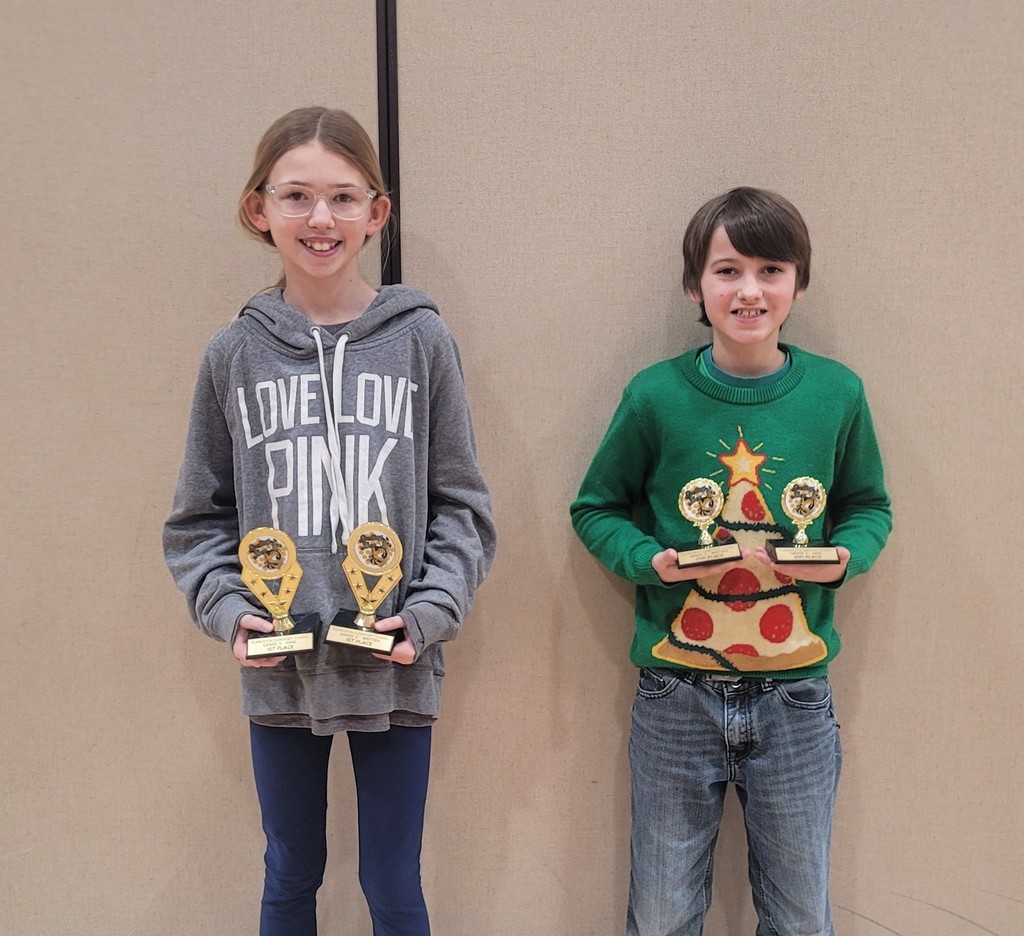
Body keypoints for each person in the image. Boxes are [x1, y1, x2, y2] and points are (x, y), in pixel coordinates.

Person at [163, 106, 496, 936]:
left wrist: (429, 612)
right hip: (279, 669)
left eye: (345, 198)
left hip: (397, 663)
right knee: (289, 873)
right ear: (259, 208)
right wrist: (230, 608)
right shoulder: (233, 355)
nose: (321, 219)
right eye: (298, 196)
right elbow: (198, 517)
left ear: (378, 213)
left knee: (393, 881)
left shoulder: (422, 341)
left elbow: (463, 506)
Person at [570, 187, 891, 936]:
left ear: (798, 283)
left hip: (797, 697)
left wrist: (844, 557)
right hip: (674, 693)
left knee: (801, 913)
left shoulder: (839, 394)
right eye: (727, 270)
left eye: (771, 269)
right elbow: (595, 507)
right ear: (695, 286)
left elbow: (870, 504)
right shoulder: (653, 397)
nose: (749, 290)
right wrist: (654, 562)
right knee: (661, 912)